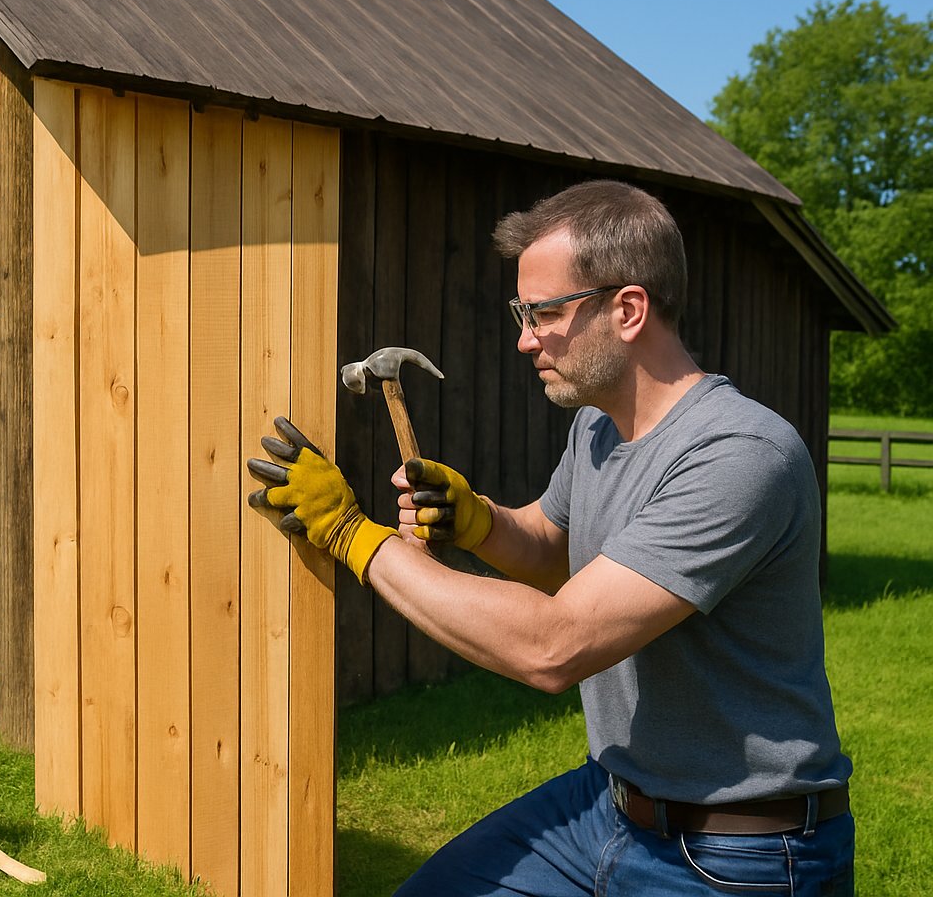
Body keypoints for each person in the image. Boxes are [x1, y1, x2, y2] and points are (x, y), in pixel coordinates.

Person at [247, 180, 854, 896]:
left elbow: (554, 647)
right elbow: (555, 549)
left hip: (736, 851)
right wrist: (478, 519)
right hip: (611, 803)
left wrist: (350, 535)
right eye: (521, 311)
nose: (524, 337)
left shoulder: (740, 455)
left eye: (542, 313)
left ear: (627, 310)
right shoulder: (598, 428)